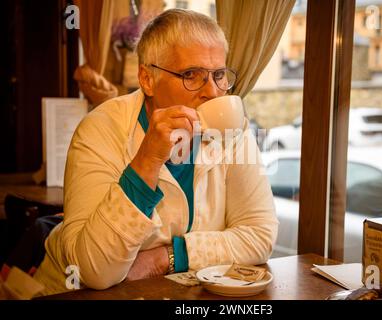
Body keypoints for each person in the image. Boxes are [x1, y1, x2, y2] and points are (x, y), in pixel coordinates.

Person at [33, 8, 278, 295]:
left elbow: (259, 235)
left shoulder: (231, 131)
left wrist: (168, 257)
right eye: (191, 74)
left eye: (219, 75)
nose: (213, 92)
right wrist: (147, 160)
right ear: (148, 79)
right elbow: (94, 271)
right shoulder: (100, 130)